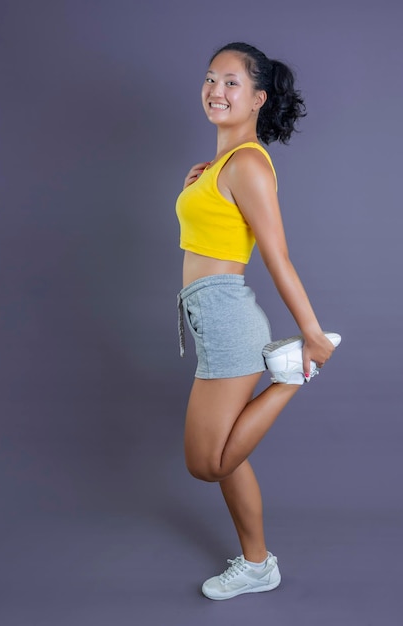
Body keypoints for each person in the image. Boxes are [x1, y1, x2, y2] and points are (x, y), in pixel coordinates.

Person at [175, 42, 340, 601]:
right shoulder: (223, 165)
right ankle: (257, 564)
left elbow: (277, 255)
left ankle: (292, 373)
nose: (216, 91)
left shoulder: (247, 162)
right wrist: (196, 187)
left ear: (257, 99)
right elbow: (211, 232)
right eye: (210, 79)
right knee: (226, 458)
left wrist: (312, 333)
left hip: (227, 320)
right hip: (210, 318)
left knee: (207, 462)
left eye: (231, 83)